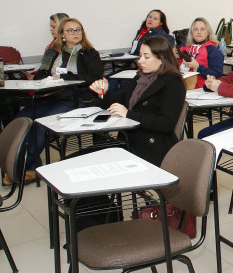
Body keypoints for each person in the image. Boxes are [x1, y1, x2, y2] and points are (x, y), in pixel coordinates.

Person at [14, 17, 105, 173]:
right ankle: (20, 163)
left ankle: (27, 168)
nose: (75, 33)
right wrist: (47, 79)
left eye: (78, 30)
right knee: (21, 121)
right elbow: (40, 75)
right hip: (49, 95)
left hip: (75, 97)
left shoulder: (89, 53)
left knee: (42, 124)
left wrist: (65, 77)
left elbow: (94, 77)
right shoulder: (52, 52)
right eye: (70, 30)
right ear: (62, 34)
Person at [88, 36, 185, 166]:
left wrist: (129, 114)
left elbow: (165, 124)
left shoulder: (173, 83)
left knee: (92, 164)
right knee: (77, 160)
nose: (140, 61)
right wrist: (103, 93)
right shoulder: (140, 78)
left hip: (151, 147)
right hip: (128, 141)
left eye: (146, 57)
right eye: (140, 56)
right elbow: (117, 100)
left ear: (161, 58)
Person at [178, 17, 223, 89]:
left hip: (199, 89)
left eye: (202, 29)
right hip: (180, 84)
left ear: (208, 32)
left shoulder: (213, 50)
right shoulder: (183, 46)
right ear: (191, 32)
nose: (199, 32)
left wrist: (197, 67)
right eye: (195, 29)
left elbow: (217, 75)